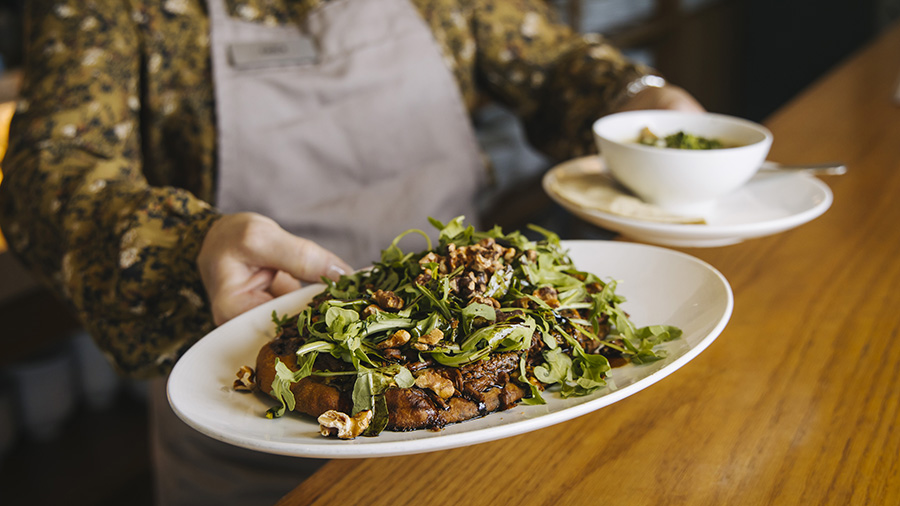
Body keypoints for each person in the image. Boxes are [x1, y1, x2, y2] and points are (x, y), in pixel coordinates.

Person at [0, 0, 703, 504]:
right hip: (263, 420)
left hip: (479, 394)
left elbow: (553, 60)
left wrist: (640, 96)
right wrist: (190, 245)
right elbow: (46, 170)